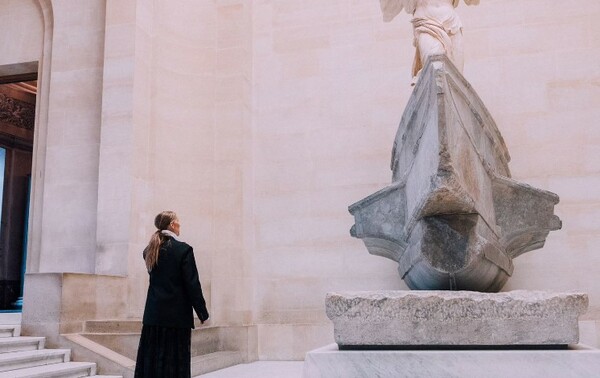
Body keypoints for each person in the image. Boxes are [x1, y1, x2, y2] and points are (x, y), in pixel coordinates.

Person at [134, 211, 209, 378]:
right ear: (173, 225)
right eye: (178, 222)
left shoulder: (149, 250)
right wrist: (202, 313)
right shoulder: (183, 250)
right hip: (176, 319)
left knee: (152, 363)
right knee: (175, 364)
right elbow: (192, 285)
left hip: (153, 316)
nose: (180, 226)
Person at [379, 0, 480, 84]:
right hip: (426, 23)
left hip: (453, 25)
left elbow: (473, 1)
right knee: (436, 68)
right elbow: (388, 10)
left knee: (457, 80)